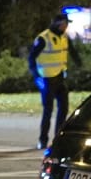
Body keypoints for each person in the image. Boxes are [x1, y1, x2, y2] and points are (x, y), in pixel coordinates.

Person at [28, 10, 73, 150]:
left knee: (64, 108)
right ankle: (43, 139)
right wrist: (36, 77)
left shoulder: (64, 37)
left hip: (59, 77)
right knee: (48, 110)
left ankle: (58, 138)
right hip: (47, 79)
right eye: (64, 24)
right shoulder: (43, 38)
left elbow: (72, 52)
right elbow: (31, 58)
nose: (66, 27)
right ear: (58, 24)